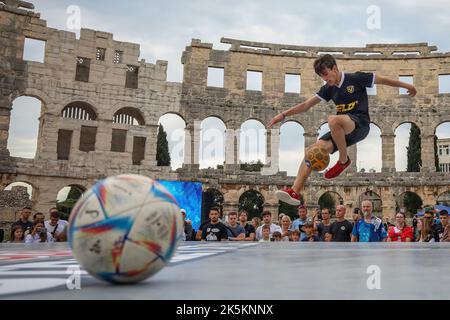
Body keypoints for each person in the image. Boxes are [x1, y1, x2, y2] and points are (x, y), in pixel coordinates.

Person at [269, 54, 417, 206]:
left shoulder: (356, 78)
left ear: (334, 68)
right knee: (312, 151)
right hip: (341, 131)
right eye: (322, 77)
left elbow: (384, 80)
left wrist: (407, 86)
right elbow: (306, 105)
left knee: (333, 120)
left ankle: (343, 160)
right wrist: (283, 115)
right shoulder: (328, 88)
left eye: (326, 74)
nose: (326, 79)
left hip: (360, 124)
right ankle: (294, 191)